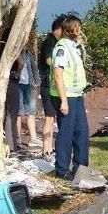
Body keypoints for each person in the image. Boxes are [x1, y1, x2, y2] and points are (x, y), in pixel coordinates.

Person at [50, 16, 90, 180]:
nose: (80, 30)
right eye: (77, 27)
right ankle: (62, 169)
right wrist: (64, 101)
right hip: (66, 97)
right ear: (70, 29)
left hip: (77, 95)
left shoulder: (73, 47)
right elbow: (58, 75)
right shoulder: (61, 48)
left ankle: (81, 167)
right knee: (66, 133)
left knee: (81, 132)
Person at [38, 19, 63, 162]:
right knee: (49, 118)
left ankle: (49, 148)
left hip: (51, 85)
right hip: (47, 85)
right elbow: (48, 60)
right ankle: (45, 149)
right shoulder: (49, 42)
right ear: (58, 29)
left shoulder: (55, 42)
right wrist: (61, 64)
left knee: (52, 118)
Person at [17, 47, 41, 148]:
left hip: (28, 84)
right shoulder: (14, 52)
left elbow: (34, 68)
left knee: (31, 112)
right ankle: (17, 139)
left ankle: (33, 139)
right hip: (17, 84)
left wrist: (37, 81)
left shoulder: (28, 54)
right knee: (18, 113)